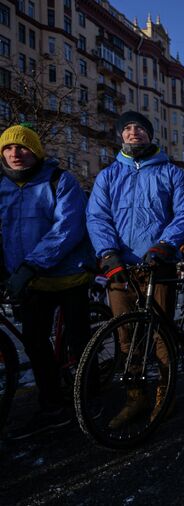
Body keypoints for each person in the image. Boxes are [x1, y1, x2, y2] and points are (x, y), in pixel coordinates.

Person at [87, 111, 184, 428]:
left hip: (157, 265)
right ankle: (136, 397)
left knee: (161, 334)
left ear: (150, 135)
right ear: (120, 135)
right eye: (128, 128)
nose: (134, 132)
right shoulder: (108, 176)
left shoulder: (171, 173)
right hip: (120, 269)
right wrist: (108, 254)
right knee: (125, 336)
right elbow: (97, 218)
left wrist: (164, 245)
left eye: (140, 128)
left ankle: (166, 392)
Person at [0, 124, 93, 439]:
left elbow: (67, 227)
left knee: (79, 342)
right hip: (31, 280)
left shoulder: (60, 180)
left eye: (22, 147)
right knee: (35, 344)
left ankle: (88, 399)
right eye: (8, 148)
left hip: (68, 275)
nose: (15, 153)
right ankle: (52, 406)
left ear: (36, 151)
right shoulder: (3, 187)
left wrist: (30, 265)